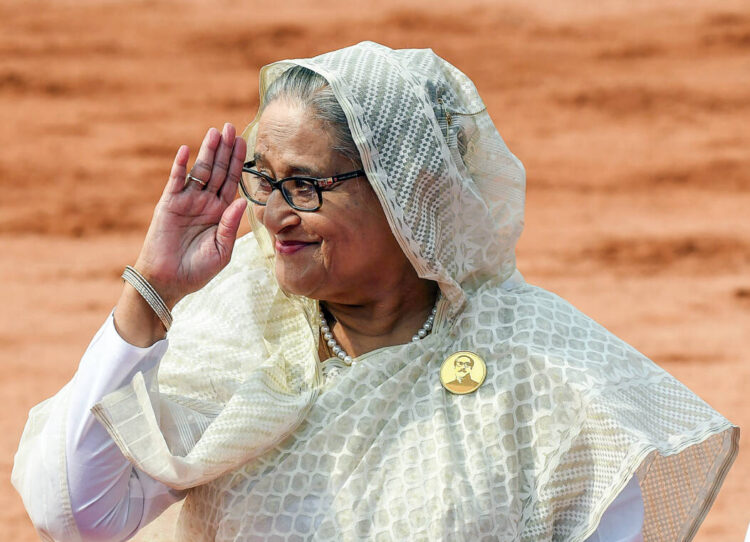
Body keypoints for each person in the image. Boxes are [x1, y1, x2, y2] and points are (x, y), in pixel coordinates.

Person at [12, 42, 738, 541]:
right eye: (263, 178)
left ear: (410, 194)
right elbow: (75, 514)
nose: (273, 213)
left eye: (305, 184)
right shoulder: (238, 328)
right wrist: (152, 293)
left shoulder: (540, 361)